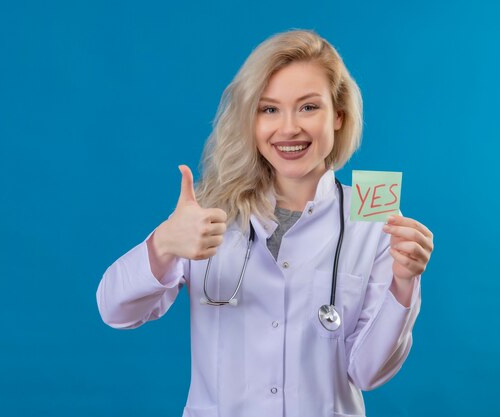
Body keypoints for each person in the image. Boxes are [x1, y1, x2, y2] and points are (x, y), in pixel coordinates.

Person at [96, 29, 434, 417]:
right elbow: (115, 312)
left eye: (308, 107)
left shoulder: (374, 220)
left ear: (338, 115)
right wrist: (162, 246)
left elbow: (369, 372)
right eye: (269, 109)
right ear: (250, 119)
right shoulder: (208, 210)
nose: (288, 128)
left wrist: (404, 284)